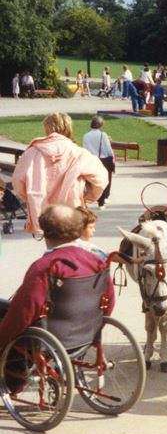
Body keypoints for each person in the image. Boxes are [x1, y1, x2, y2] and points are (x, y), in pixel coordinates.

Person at [0, 205, 114, 372]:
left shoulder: (45, 266)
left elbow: (24, 311)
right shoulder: (96, 261)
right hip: (86, 333)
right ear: (78, 229)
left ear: (45, 231)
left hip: (48, 337)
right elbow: (108, 301)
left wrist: (3, 336)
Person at [11, 113, 108, 234]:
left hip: (42, 211)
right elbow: (101, 179)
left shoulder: (31, 152)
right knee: (70, 244)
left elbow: (17, 181)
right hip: (72, 208)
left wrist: (30, 197)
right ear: (68, 128)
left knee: (52, 246)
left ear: (47, 128)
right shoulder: (78, 153)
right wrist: (88, 196)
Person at [81, 116, 116, 209]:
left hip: (91, 160)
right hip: (103, 159)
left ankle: (91, 197)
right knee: (106, 179)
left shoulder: (86, 136)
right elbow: (108, 149)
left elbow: (85, 149)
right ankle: (103, 199)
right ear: (101, 125)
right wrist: (112, 159)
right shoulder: (102, 135)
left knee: (91, 180)